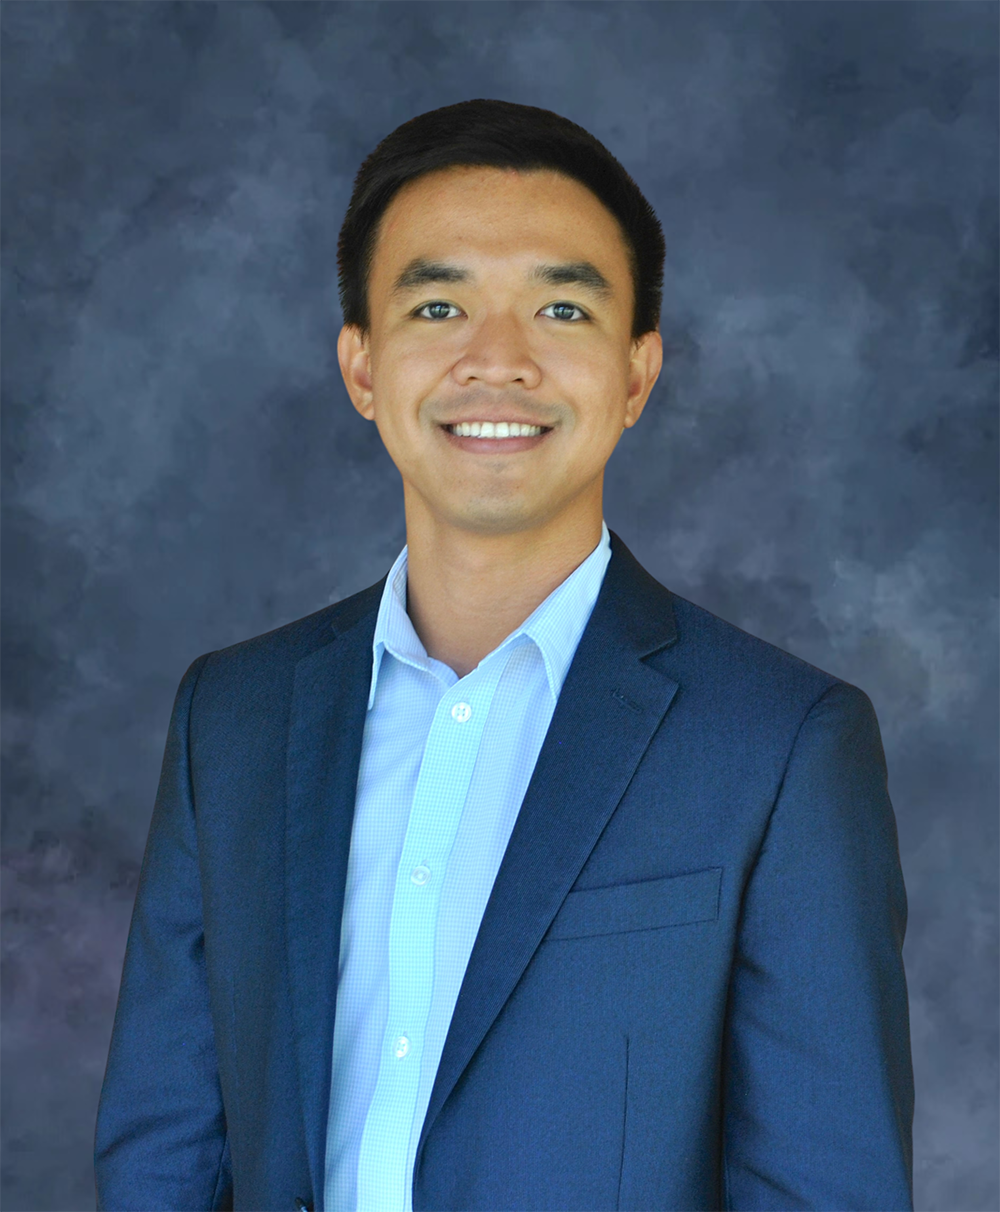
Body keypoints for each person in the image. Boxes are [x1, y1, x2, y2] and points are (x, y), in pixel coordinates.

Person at [94, 99, 914, 1212]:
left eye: (561, 308)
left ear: (636, 373)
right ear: (362, 368)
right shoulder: (231, 718)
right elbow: (163, 1154)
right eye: (438, 305)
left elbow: (825, 1192)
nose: (498, 360)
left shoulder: (779, 745)